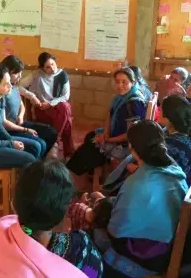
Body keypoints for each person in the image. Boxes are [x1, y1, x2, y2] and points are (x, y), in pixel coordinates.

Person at [0, 159, 104, 278]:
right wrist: (79, 228)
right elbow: (95, 273)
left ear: (14, 203)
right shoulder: (81, 249)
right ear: (64, 212)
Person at [102, 120, 188, 277]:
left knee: (95, 226)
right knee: (105, 205)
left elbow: (115, 230)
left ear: (132, 149)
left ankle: (89, 269)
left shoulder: (136, 183)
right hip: (171, 241)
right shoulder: (175, 169)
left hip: (150, 254)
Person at [103, 95, 191, 194]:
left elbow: (162, 175)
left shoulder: (174, 146)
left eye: (160, 110)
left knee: (129, 167)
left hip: (166, 191)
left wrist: (135, 167)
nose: (158, 111)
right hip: (158, 178)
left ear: (169, 118)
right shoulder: (173, 131)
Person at [66, 67, 146, 176]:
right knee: (91, 136)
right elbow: (110, 114)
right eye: (117, 82)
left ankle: (73, 173)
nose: (120, 85)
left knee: (92, 144)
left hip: (126, 145)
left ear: (133, 82)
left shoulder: (134, 103)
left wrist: (109, 140)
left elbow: (131, 135)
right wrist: (106, 133)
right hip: (116, 134)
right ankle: (91, 171)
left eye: (124, 82)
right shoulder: (120, 97)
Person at [1, 55, 57, 158]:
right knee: (39, 144)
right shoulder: (3, 90)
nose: (20, 76)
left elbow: (21, 104)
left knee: (51, 132)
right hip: (9, 129)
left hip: (19, 123)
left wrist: (21, 116)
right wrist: (25, 130)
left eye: (20, 73)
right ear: (7, 72)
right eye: (17, 73)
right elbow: (3, 122)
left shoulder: (13, 86)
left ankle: (39, 160)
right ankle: (34, 164)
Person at [20, 52, 74, 159]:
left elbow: (65, 96)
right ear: (42, 68)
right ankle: (69, 153)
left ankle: (55, 141)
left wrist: (50, 104)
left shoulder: (62, 74)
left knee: (65, 107)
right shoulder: (37, 74)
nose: (52, 69)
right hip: (42, 109)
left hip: (57, 108)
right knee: (66, 119)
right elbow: (19, 86)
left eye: (53, 64)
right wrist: (32, 96)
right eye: (48, 67)